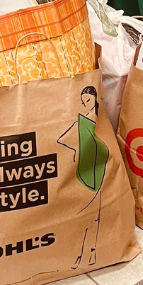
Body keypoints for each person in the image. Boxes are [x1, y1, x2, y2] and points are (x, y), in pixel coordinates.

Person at [57, 85, 109, 266]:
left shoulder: (96, 120)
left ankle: (92, 253)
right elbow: (62, 140)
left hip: (96, 173)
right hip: (86, 173)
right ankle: (79, 254)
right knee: (83, 215)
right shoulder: (82, 123)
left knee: (94, 216)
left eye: (87, 100)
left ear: (94, 99)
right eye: (83, 101)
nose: (85, 103)